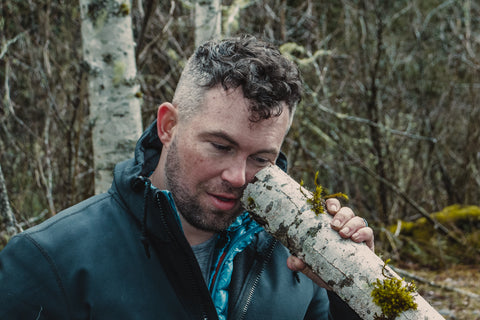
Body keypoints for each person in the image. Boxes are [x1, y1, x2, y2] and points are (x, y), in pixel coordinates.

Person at [0, 35, 374, 319]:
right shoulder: (48, 262)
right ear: (168, 125)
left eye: (261, 158)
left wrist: (355, 287)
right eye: (220, 146)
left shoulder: (295, 259)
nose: (238, 177)